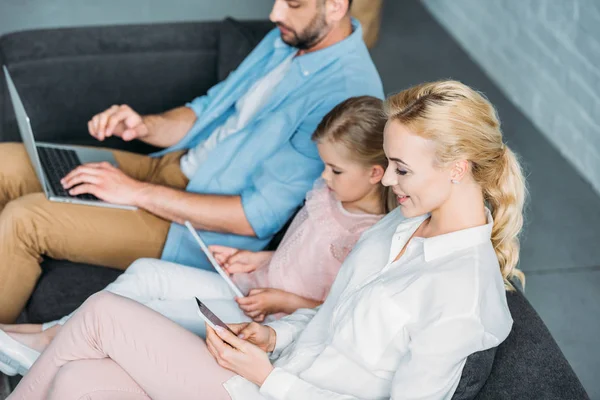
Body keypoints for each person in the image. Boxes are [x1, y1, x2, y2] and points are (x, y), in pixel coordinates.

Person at [7, 80, 526, 400]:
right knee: (76, 382)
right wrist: (275, 339)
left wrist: (269, 378)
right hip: (269, 373)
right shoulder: (402, 224)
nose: (387, 181)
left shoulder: (463, 294)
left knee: (102, 315)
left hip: (268, 391)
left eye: (401, 169)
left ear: (459, 169)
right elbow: (328, 320)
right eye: (388, 164)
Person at [0, 0, 382, 324]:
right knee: (3, 163)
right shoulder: (287, 39)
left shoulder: (343, 93)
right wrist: (144, 126)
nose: (274, 13)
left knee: (25, 221)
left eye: (293, 3)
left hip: (193, 229)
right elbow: (206, 109)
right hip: (170, 166)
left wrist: (132, 191)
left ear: (334, 6)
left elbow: (252, 218)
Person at [0, 96, 395, 374]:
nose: (324, 177)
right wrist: (264, 260)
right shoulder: (329, 194)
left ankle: (52, 345)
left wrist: (286, 298)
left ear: (375, 174)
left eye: (335, 170)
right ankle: (46, 334)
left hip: (266, 320)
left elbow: (336, 309)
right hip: (248, 286)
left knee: (148, 310)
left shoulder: (370, 236)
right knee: (145, 272)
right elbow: (304, 247)